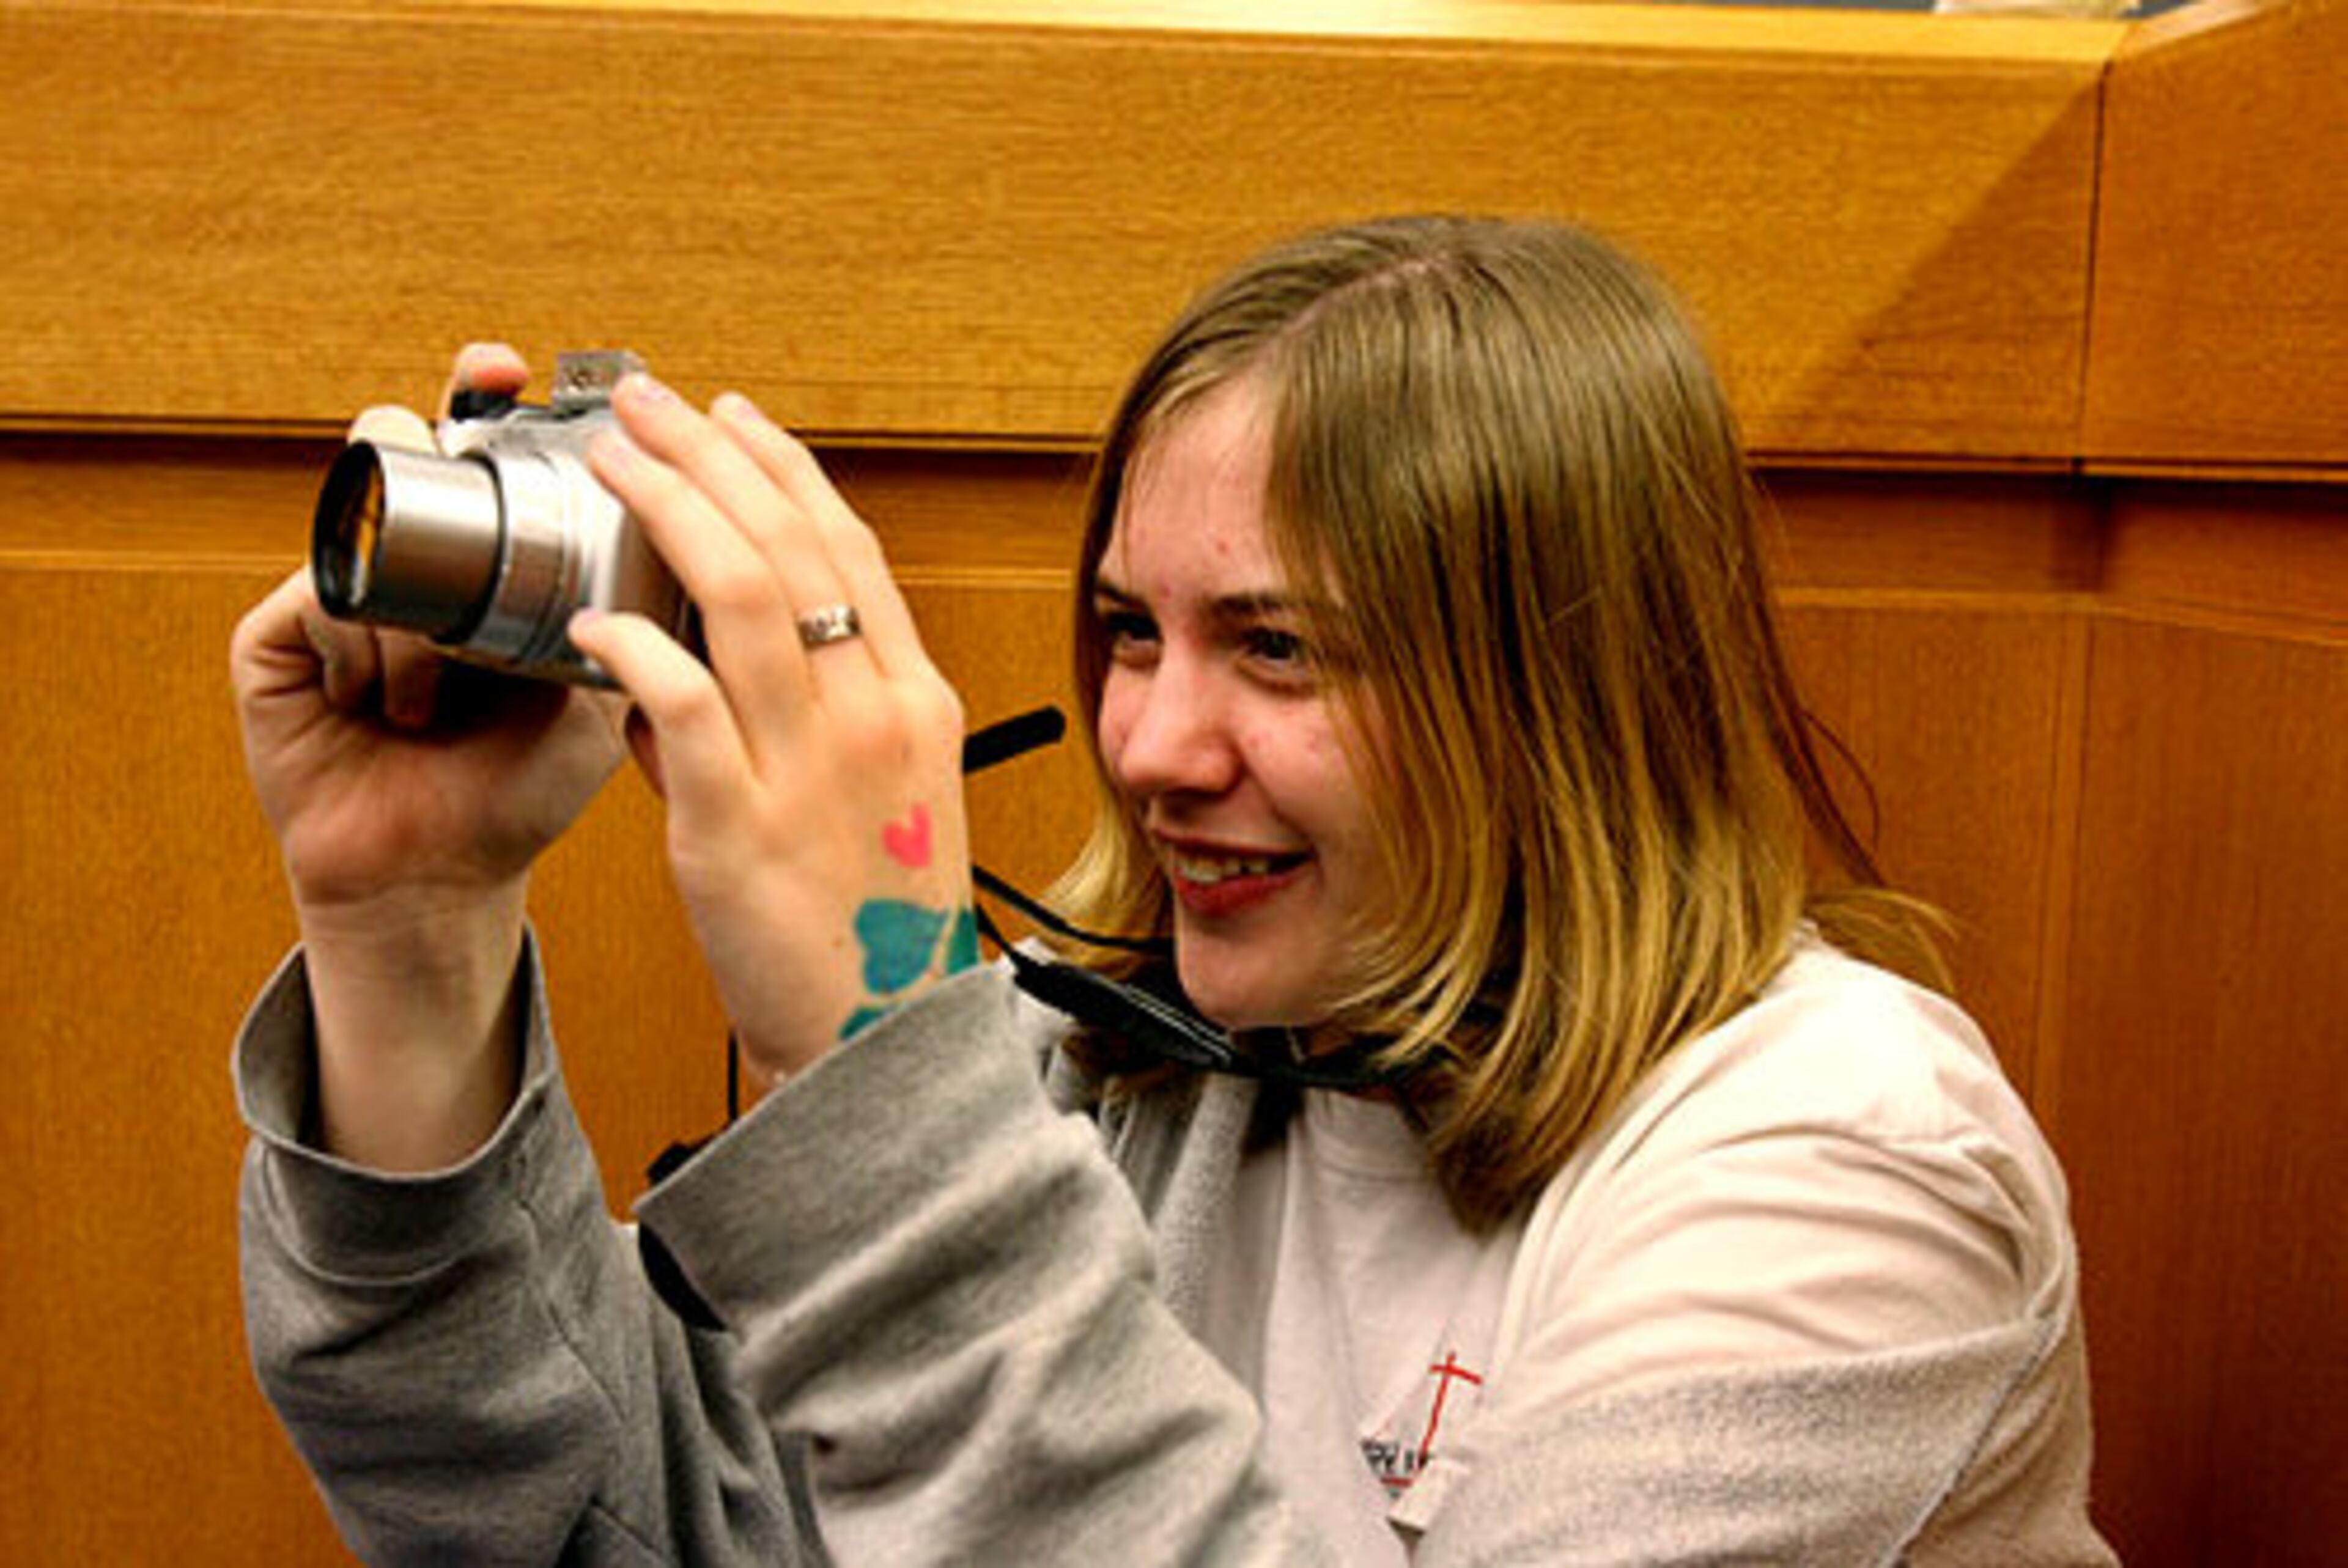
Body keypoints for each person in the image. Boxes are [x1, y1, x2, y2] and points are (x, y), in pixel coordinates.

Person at [231, 215, 2115, 1564]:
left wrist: (884, 1063)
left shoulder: (1844, 1176)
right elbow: (603, 1529)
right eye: (1133, 633)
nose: (1151, 749)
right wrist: (411, 934)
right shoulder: (1161, 1067)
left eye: (1279, 651)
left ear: (1563, 699)